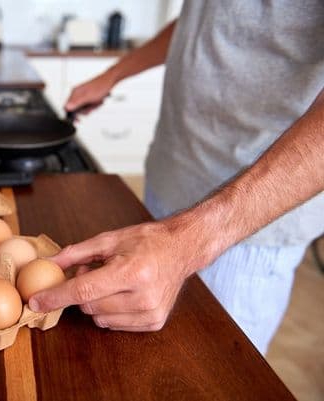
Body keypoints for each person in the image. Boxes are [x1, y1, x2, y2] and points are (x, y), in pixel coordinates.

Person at [28, 1, 324, 354]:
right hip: (170, 181)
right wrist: (113, 74)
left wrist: (187, 241)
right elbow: (206, 20)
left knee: (212, 370)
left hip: (245, 227)